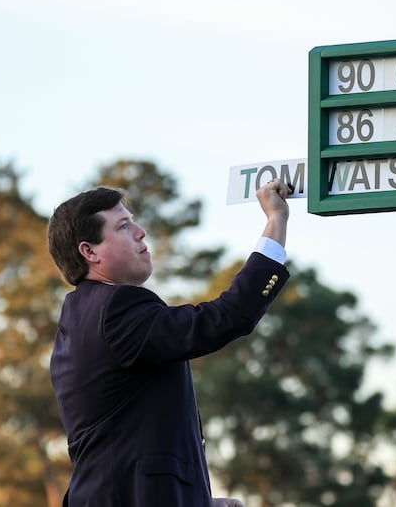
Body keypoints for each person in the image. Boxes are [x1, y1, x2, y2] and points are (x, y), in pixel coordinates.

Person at [47, 179, 292, 507]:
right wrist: (276, 222)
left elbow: (125, 446)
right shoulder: (114, 310)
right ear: (89, 252)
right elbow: (227, 316)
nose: (140, 231)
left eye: (133, 220)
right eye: (123, 226)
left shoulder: (81, 317)